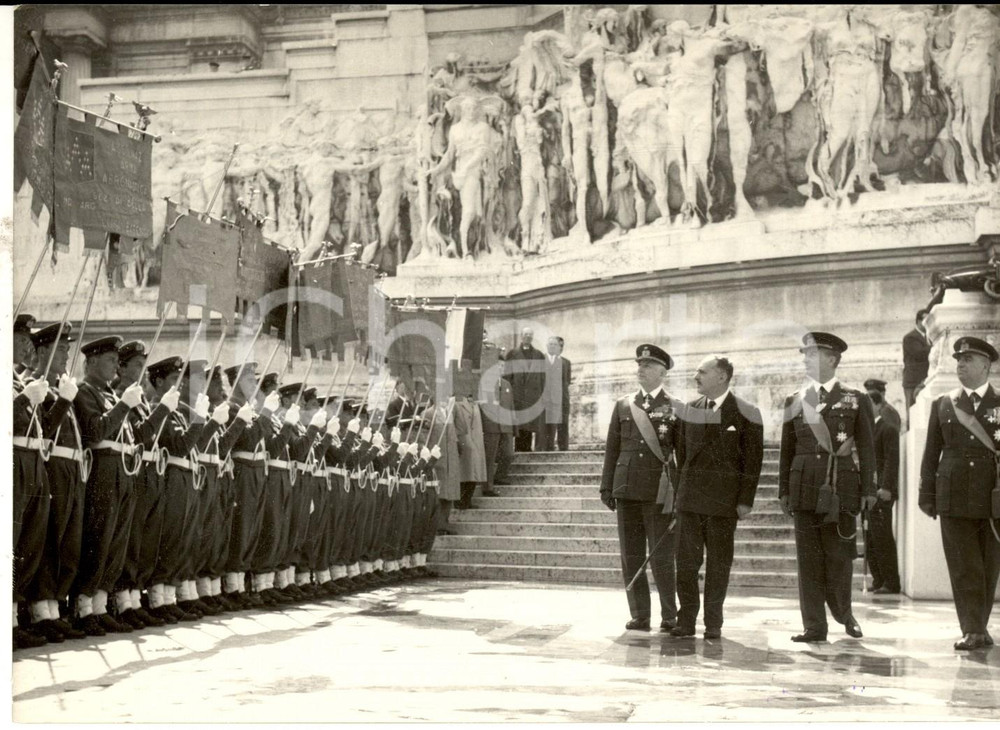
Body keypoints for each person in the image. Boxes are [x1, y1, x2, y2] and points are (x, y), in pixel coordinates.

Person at [779, 332, 876, 643]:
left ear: (832, 359)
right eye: (805, 353)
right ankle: (814, 626)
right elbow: (787, 450)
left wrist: (868, 490)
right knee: (807, 559)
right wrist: (784, 490)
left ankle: (844, 613)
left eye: (812, 353)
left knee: (839, 556)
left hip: (841, 487)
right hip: (804, 484)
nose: (805, 358)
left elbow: (868, 448)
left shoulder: (856, 399)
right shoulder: (794, 400)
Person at [673, 355, 764, 639]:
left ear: (722, 376)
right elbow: (682, 455)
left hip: (723, 504)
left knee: (718, 564)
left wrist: (744, 500)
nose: (696, 376)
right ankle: (685, 619)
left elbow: (752, 463)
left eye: (702, 372)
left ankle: (713, 622)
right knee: (686, 564)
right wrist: (682, 494)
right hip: (690, 501)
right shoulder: (689, 409)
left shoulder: (747, 412)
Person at [919, 336, 1000, 651]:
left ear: (985, 365)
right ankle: (973, 629)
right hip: (952, 495)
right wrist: (927, 495)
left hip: (992, 496)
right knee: (963, 565)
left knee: (989, 565)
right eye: (958, 360)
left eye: (968, 360)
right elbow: (930, 454)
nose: (960, 365)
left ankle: (978, 625)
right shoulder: (944, 403)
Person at [600, 344, 682, 632]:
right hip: (626, 488)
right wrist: (607, 487)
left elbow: (681, 455)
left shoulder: (676, 407)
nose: (641, 369)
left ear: (662, 372)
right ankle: (640, 614)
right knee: (631, 555)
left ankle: (669, 615)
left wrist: (680, 493)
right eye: (639, 364)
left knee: (662, 557)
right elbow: (613, 448)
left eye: (647, 366)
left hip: (659, 492)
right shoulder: (624, 404)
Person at [865, 389, 901, 595]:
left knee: (883, 537)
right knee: (870, 537)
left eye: (870, 403)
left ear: (879, 405)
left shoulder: (887, 429)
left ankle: (891, 581)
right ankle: (878, 578)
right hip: (869, 491)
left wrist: (887, 487)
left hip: (881, 492)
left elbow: (891, 460)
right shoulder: (868, 429)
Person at [505, 327, 546, 452]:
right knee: (520, 422)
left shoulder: (539, 355)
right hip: (518, 394)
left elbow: (542, 376)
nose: (528, 337)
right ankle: (519, 448)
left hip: (533, 395)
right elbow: (507, 375)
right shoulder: (512, 354)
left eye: (530, 334)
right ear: (521, 336)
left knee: (530, 422)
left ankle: (527, 448)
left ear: (532, 337)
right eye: (525, 334)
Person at [542, 336, 572, 451]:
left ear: (559, 347)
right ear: (547, 346)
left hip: (562, 397)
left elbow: (567, 381)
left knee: (563, 424)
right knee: (548, 425)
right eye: (550, 344)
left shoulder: (566, 362)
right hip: (547, 398)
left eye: (555, 344)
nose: (552, 346)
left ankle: (563, 447)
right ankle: (548, 446)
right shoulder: (542, 360)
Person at [902, 309, 931, 413]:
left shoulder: (928, 336)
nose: (929, 322)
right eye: (926, 320)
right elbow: (919, 353)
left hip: (924, 380)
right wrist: (934, 346)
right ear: (919, 321)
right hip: (913, 382)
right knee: (912, 411)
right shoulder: (910, 337)